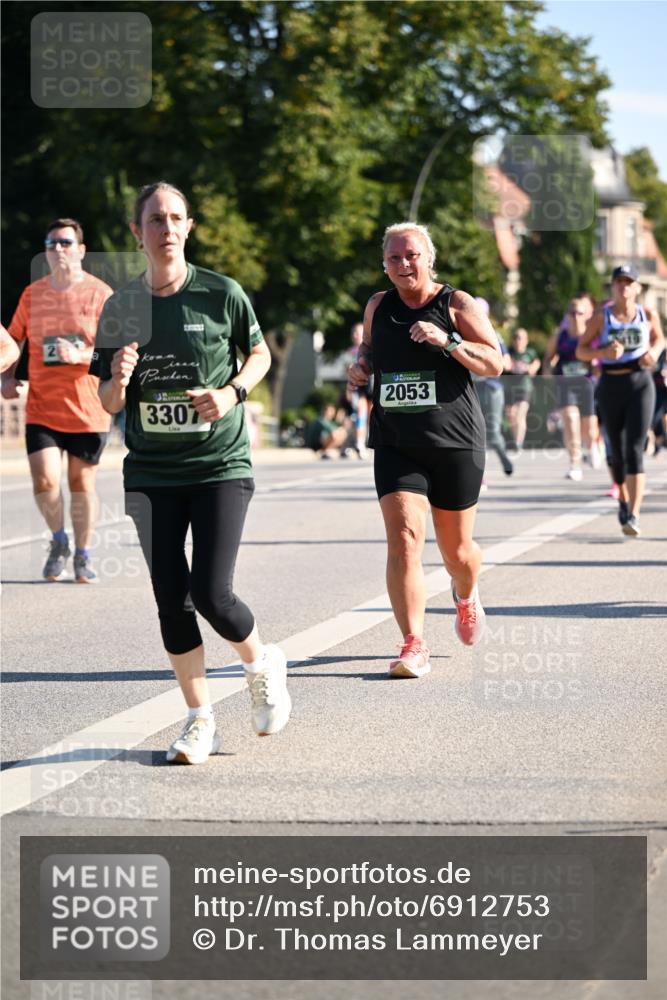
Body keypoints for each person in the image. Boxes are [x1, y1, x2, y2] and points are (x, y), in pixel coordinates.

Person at [90, 181, 290, 763]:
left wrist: (231, 394)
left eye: (176, 218)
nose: (167, 229)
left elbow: (260, 355)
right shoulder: (120, 307)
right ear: (138, 232)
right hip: (151, 473)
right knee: (170, 599)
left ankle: (260, 664)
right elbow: (105, 401)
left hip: (218, 465)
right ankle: (200, 720)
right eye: (156, 219)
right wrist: (120, 382)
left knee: (211, 591)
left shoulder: (221, 293)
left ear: (189, 227)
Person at [348, 221, 503, 678]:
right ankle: (414, 643)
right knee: (404, 540)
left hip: (454, 440)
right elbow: (369, 350)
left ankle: (466, 593)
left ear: (428, 258)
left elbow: (495, 361)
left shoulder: (456, 304)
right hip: (397, 440)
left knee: (457, 553)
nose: (403, 264)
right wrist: (360, 368)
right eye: (394, 258)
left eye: (412, 255)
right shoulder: (378, 305)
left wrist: (449, 341)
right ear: (385, 264)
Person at [1, 219, 112, 582]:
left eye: (65, 242)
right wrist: (6, 375)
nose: (57, 249)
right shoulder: (32, 295)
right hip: (43, 408)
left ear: (81, 250)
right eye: (50, 243)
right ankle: (59, 540)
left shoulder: (101, 295)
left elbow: (115, 352)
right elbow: (11, 340)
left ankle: (82, 554)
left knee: (82, 485)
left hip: (88, 408)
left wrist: (78, 356)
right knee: (46, 481)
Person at [576, 264, 664, 536]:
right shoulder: (602, 318)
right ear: (613, 287)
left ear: (637, 287)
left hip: (640, 382)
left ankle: (634, 514)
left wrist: (653, 351)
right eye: (619, 282)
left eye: (629, 282)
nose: (624, 287)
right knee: (616, 452)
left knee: (635, 448)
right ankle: (623, 498)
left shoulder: (646, 313)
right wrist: (603, 351)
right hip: (611, 383)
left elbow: (660, 338)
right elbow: (581, 351)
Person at [543, 295, 602, 481]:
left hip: (587, 385)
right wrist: (547, 371)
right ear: (567, 315)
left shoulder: (591, 335)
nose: (576, 316)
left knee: (589, 429)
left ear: (586, 315)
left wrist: (597, 366)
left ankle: (592, 446)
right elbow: (548, 357)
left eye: (580, 313)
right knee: (570, 420)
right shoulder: (560, 336)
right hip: (565, 384)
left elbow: (600, 360)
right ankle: (574, 464)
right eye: (572, 312)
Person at [471, 298, 514, 478]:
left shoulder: (494, 335)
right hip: (472, 387)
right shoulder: (463, 332)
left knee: (493, 431)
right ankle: (478, 475)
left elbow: (507, 364)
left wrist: (485, 362)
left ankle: (505, 459)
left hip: (492, 388)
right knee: (473, 431)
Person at [504, 327, 540, 453]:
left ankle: (518, 443)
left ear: (526, 340)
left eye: (521, 338)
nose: (518, 340)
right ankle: (516, 440)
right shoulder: (508, 352)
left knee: (520, 414)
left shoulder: (530, 353)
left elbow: (536, 364)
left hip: (524, 388)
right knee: (511, 416)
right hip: (509, 388)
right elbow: (505, 365)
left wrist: (531, 368)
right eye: (515, 337)